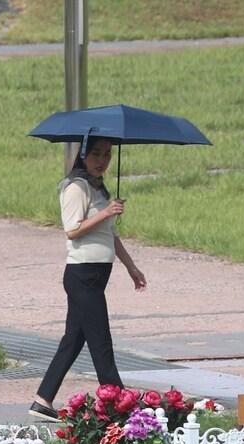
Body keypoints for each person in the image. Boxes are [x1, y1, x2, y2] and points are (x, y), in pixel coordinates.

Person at [30, 138, 147, 421]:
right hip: (82, 274)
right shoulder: (76, 187)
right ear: (83, 156)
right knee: (100, 341)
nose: (102, 160)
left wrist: (132, 267)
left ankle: (42, 399)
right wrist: (107, 212)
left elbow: (110, 235)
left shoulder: (99, 189)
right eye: (95, 154)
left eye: (107, 155)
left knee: (73, 340)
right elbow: (72, 230)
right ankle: (120, 402)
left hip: (97, 274)